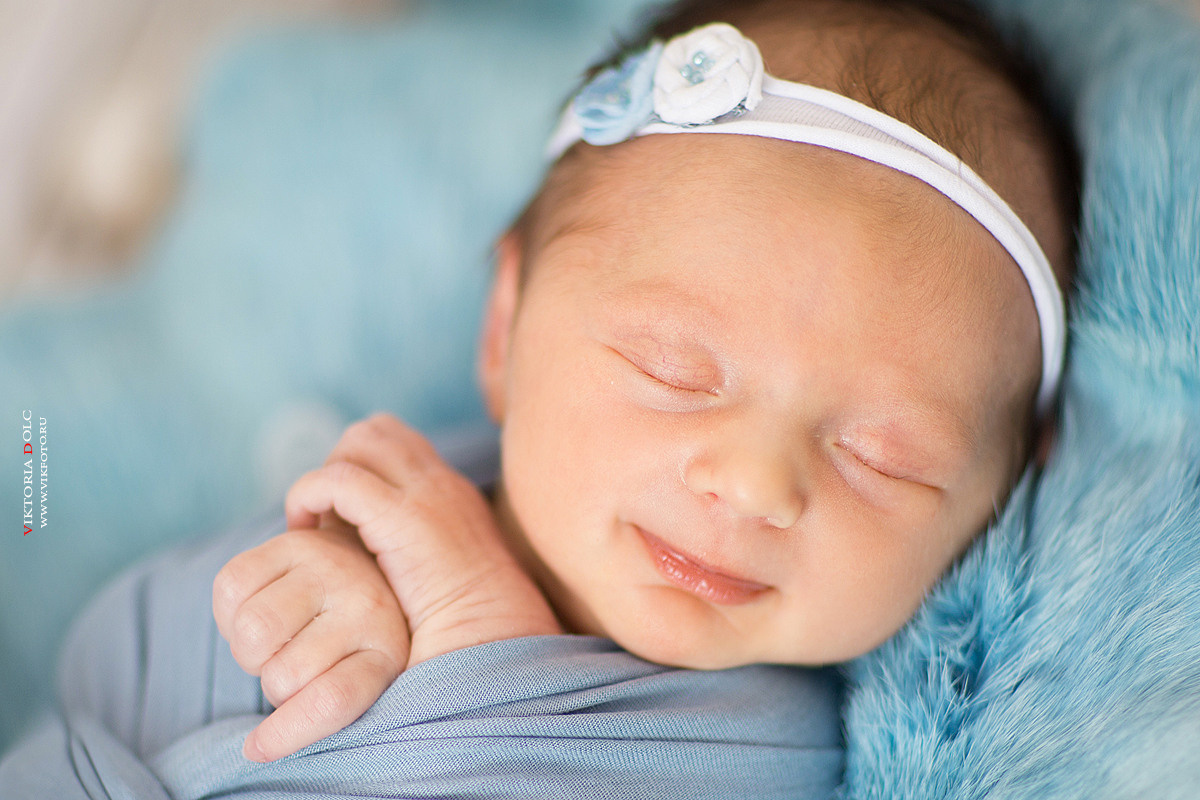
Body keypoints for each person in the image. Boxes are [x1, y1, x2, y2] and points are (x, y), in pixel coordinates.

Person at [209, 0, 1078, 770]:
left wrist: (481, 642)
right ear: (505, 327)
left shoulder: (769, 749)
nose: (752, 485)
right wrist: (277, 608)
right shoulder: (392, 496)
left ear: (1007, 492)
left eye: (881, 457)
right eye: (672, 370)